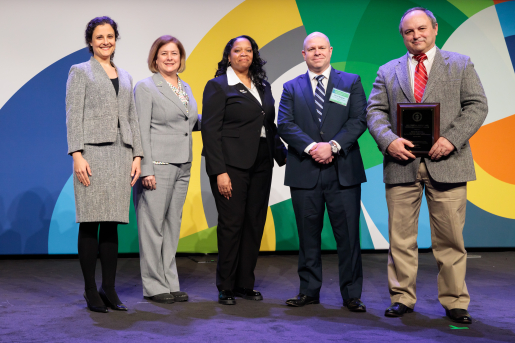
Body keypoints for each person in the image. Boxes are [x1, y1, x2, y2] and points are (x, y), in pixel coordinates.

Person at [366, 7, 487, 323]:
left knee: (450, 240)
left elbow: (477, 106)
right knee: (400, 239)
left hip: (448, 162)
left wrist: (451, 139)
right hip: (400, 163)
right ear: (403, 36)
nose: (416, 35)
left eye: (421, 29)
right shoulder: (387, 70)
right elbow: (374, 112)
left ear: (434, 29)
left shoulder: (460, 64)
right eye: (409, 31)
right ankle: (402, 297)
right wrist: (388, 139)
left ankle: (455, 301)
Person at [277, 32, 367, 312]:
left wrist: (334, 146)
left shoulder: (350, 82)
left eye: (321, 48)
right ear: (303, 55)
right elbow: (285, 123)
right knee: (308, 236)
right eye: (310, 49)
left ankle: (352, 295)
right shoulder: (291, 87)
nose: (316, 53)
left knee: (349, 237)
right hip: (305, 171)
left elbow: (359, 119)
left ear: (330, 51)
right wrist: (313, 147)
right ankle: (308, 291)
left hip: (343, 171)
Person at [65, 16, 143, 313]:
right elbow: (73, 114)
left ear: (115, 39)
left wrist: (136, 155)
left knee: (112, 224)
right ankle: (89, 290)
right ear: (90, 41)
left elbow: (132, 117)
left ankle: (108, 288)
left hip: (121, 154)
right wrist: (77, 155)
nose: (105, 41)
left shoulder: (125, 75)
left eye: (110, 36)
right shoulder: (80, 71)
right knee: (90, 221)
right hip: (92, 155)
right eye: (99, 37)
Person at [201, 35, 287, 305]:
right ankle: (225, 285)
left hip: (262, 163)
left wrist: (286, 156)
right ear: (229, 56)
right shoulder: (218, 86)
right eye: (237, 50)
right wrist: (219, 172)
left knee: (253, 224)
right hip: (231, 166)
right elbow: (210, 131)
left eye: (248, 50)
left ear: (254, 55)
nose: (243, 54)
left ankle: (244, 284)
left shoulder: (262, 84)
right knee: (232, 224)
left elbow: (269, 125)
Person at [133, 35, 198, 304]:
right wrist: (145, 168)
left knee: (172, 227)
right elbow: (140, 130)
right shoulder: (146, 87)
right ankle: (154, 285)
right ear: (155, 58)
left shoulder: (186, 87)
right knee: (152, 228)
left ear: (181, 58)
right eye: (164, 54)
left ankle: (170, 281)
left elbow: (188, 123)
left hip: (183, 163)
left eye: (174, 53)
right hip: (156, 165)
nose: (170, 57)